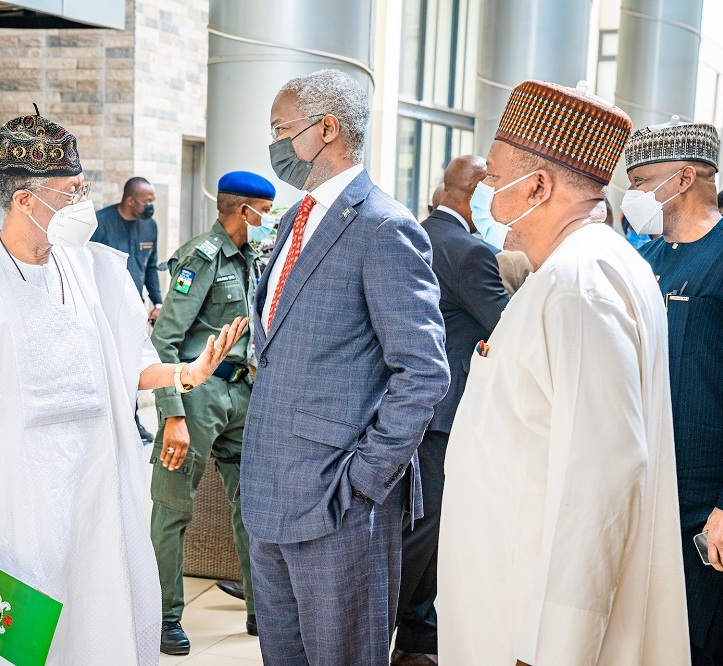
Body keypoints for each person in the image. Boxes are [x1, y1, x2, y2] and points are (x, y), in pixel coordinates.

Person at [0, 110, 249, 665]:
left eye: (83, 189)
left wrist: (186, 373)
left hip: (93, 489)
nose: (83, 204)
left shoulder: (98, 271)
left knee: (91, 621)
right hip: (5, 498)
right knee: (9, 639)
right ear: (25, 200)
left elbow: (127, 364)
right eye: (71, 192)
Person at [437, 80, 690, 665]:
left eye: (495, 180)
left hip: (531, 630)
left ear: (539, 185)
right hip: (509, 604)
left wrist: (552, 649)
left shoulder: (582, 287)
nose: (489, 196)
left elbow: (601, 484)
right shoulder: (577, 271)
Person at [241, 68, 449, 666]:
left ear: (326, 128)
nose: (275, 143)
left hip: (339, 498)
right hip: (270, 491)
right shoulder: (293, 221)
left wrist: (364, 480)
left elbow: (423, 371)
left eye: (282, 129)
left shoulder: (384, 228)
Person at [623, 121, 723, 665]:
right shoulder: (643, 263)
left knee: (715, 643)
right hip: (653, 493)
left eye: (641, 180)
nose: (632, 194)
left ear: (683, 177)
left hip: (717, 505)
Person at [149, 170, 275, 654]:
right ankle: (164, 617)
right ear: (245, 211)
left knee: (254, 506)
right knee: (174, 506)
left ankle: (262, 611)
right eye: (266, 210)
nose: (271, 219)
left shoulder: (249, 259)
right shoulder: (200, 259)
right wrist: (173, 415)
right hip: (197, 398)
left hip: (242, 396)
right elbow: (165, 342)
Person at [392, 154, 508, 666]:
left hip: (402, 408)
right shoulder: (470, 252)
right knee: (426, 534)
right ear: (477, 189)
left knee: (419, 531)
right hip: (443, 417)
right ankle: (390, 630)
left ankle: (417, 643)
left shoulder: (412, 234)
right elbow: (509, 326)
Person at [92, 176, 163, 321]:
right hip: (104, 310)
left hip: (136, 308)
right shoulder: (99, 223)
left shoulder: (150, 226)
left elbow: (150, 267)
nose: (151, 206)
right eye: (146, 202)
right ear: (130, 201)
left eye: (152, 201)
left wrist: (158, 302)